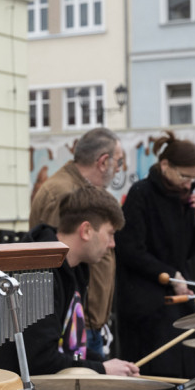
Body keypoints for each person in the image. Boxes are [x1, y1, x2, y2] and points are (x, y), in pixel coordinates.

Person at [0, 186, 148, 390]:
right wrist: (103, 369)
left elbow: (67, 346)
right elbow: (40, 360)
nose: (112, 244)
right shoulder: (38, 272)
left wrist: (107, 364)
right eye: (110, 233)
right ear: (86, 230)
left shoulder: (74, 268)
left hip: (61, 388)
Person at [114, 136, 195, 380]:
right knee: (158, 377)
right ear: (165, 165)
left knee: (186, 376)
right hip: (148, 307)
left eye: (194, 178)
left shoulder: (184, 198)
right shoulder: (141, 194)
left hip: (180, 300)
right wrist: (169, 276)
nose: (189, 184)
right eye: (184, 176)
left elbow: (188, 252)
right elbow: (130, 250)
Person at [30, 128, 125, 356]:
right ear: (103, 162)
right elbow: (58, 263)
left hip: (88, 325)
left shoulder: (82, 190)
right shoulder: (62, 192)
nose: (120, 169)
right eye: (119, 162)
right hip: (73, 328)